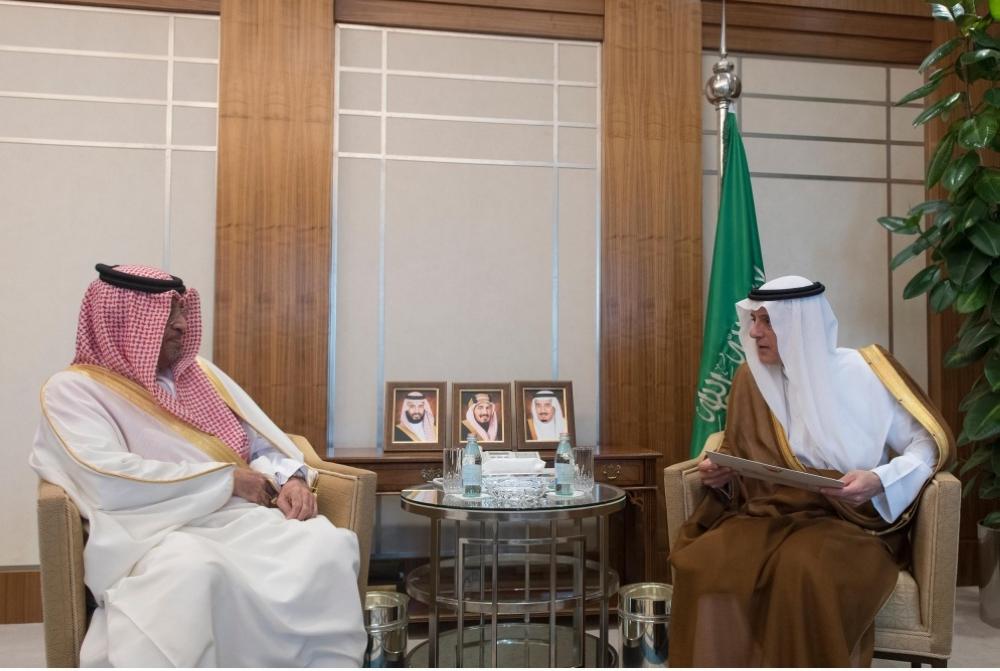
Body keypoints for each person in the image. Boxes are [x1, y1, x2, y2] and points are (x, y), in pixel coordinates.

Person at [30, 264, 366, 667]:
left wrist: (291, 479)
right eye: (167, 314)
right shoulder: (74, 390)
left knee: (326, 546)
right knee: (195, 570)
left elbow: (255, 443)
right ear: (122, 320)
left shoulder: (198, 375)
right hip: (157, 530)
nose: (182, 325)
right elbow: (106, 477)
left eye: (182, 312)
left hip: (241, 519)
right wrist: (226, 482)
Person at [668, 275, 953, 667]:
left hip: (847, 519)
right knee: (705, 561)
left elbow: (927, 444)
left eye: (767, 321)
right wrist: (721, 476)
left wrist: (878, 480)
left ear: (800, 324)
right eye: (753, 320)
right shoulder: (751, 379)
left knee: (803, 569)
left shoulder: (867, 373)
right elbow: (741, 450)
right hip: (767, 513)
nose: (754, 332)